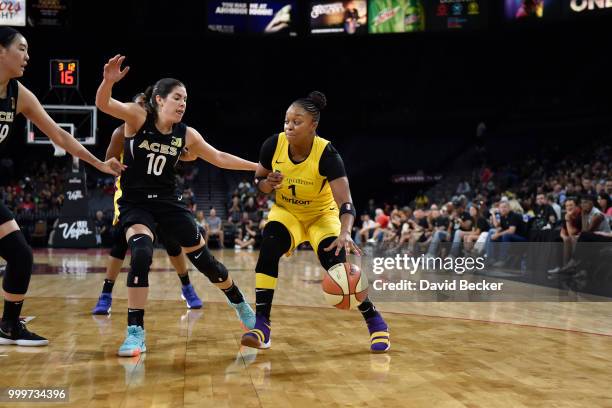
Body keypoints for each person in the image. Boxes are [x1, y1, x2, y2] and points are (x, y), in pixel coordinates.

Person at [95, 55, 258, 356]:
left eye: (186, 99)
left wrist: (257, 167)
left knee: (206, 262)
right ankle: (135, 332)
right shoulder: (137, 117)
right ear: (158, 100)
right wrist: (108, 81)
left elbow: (220, 157)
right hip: (136, 204)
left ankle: (239, 303)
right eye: (177, 98)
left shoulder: (187, 134)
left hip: (169, 204)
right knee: (141, 252)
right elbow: (105, 105)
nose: (183, 104)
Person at [0, 28, 123, 347]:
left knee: (20, 254)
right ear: (1, 52)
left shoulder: (19, 94)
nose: (27, 56)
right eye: (21, 49)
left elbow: (60, 135)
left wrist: (99, 163)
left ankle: (9, 325)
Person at [240, 91, 390, 353]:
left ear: (313, 125)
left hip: (322, 216)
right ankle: (262, 325)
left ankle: (374, 319)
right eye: (287, 121)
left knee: (338, 268)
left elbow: (346, 203)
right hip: (287, 213)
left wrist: (345, 232)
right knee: (269, 247)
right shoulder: (272, 145)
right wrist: (267, 184)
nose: (289, 126)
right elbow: (259, 184)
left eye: (297, 121)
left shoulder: (327, 154)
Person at [91, 92, 203, 315]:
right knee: (121, 244)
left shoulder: (162, 132)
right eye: (138, 105)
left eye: (145, 105)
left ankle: (187, 287)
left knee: (172, 242)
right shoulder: (120, 133)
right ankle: (106, 293)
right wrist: (115, 167)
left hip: (162, 194)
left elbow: (186, 154)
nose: (142, 110)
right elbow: (108, 161)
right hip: (132, 195)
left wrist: (185, 153)